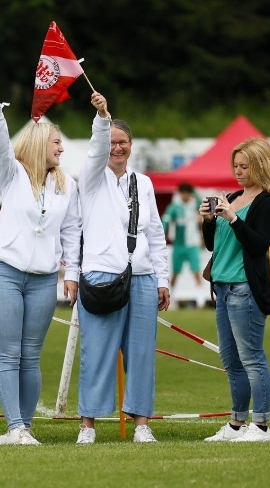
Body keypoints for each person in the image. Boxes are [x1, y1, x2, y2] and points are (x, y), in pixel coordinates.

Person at [0, 79, 81, 445]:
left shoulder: (66, 185)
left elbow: (71, 231)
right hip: (5, 274)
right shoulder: (12, 174)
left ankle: (25, 427)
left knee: (31, 355)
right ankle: (15, 428)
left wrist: (72, 272)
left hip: (44, 279)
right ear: (40, 144)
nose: (62, 148)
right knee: (9, 354)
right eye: (57, 143)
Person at [75, 93, 170, 445]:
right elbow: (95, 150)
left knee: (142, 353)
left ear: (131, 145)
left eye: (123, 142)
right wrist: (102, 117)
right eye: (112, 142)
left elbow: (155, 233)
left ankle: (142, 423)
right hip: (101, 274)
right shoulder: (90, 177)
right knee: (97, 352)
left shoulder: (143, 183)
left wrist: (162, 279)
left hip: (142, 275)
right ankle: (88, 425)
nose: (117, 148)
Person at [200, 138, 270, 443]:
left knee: (252, 358)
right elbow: (213, 245)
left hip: (245, 288)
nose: (238, 171)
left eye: (244, 166)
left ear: (260, 166)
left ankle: (261, 425)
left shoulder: (268, 202)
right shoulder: (231, 197)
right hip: (222, 288)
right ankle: (236, 423)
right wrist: (209, 220)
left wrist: (232, 218)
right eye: (235, 166)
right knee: (231, 361)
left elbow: (259, 244)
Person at [162, 182, 204, 289]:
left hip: (192, 245)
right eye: (183, 193)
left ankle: (201, 296)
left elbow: (202, 202)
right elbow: (166, 219)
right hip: (179, 245)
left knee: (196, 271)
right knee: (175, 273)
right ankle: (171, 295)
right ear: (180, 193)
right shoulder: (174, 207)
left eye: (188, 193)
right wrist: (162, 233)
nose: (185, 195)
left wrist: (193, 191)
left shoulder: (194, 205)